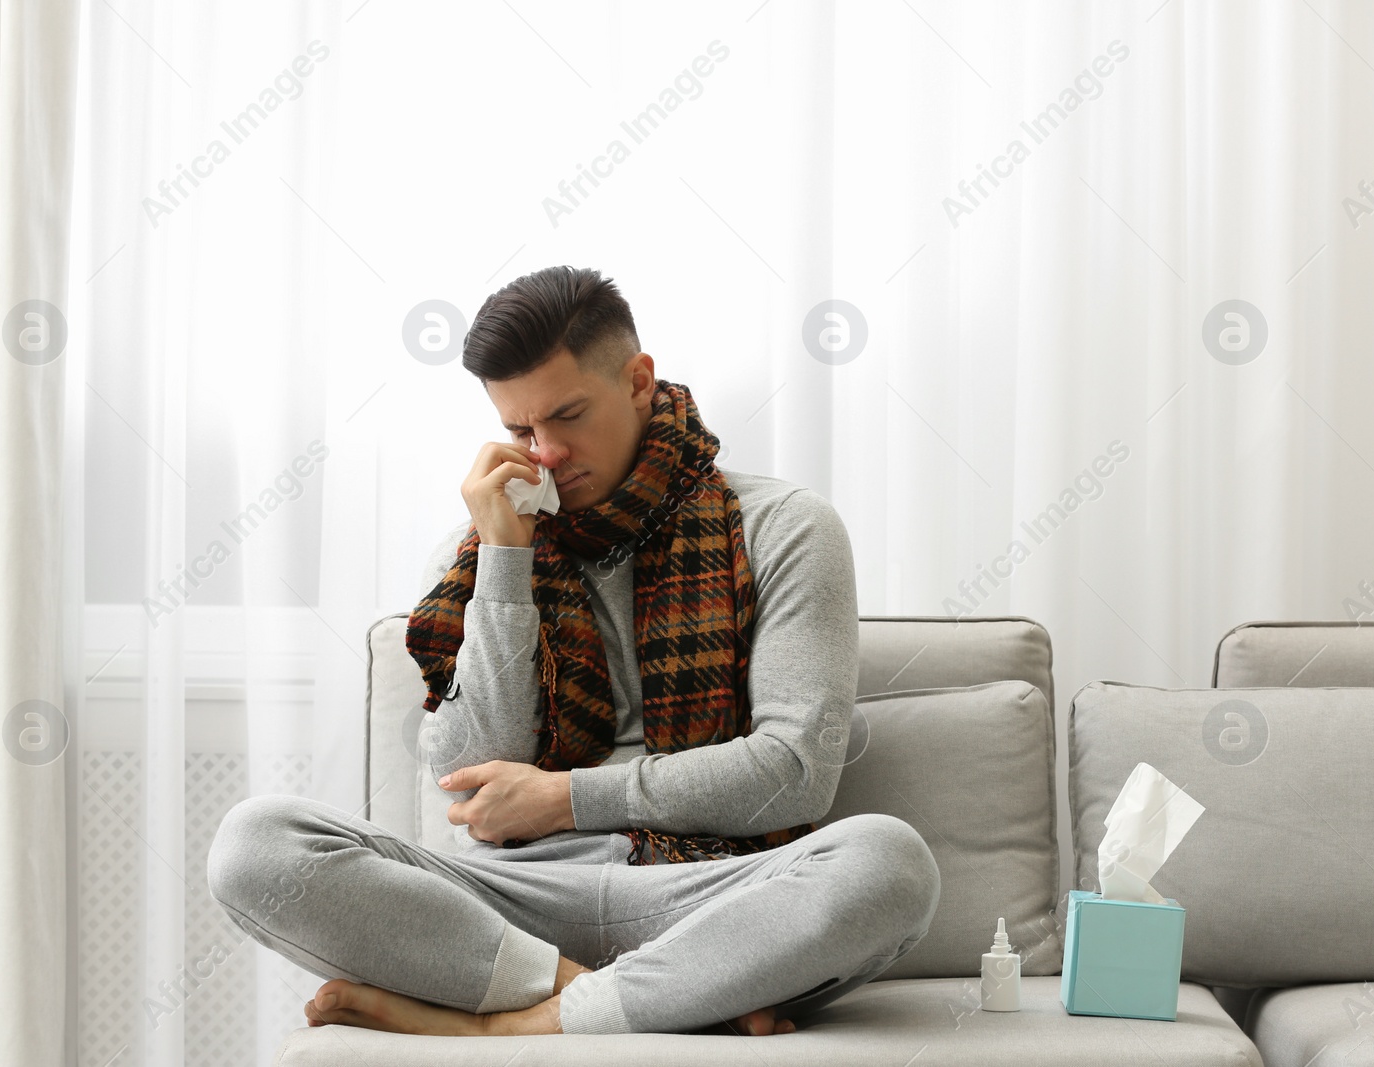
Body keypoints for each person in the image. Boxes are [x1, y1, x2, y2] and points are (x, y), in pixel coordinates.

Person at [207, 266, 940, 1037]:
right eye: (522, 431)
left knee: (888, 862)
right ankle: (633, 997)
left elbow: (794, 772)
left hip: (711, 895)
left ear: (638, 381)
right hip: (513, 904)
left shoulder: (785, 527)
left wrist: (565, 797)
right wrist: (503, 562)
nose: (546, 453)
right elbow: (470, 778)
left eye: (568, 415)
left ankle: (507, 1022)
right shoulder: (482, 555)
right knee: (255, 845)